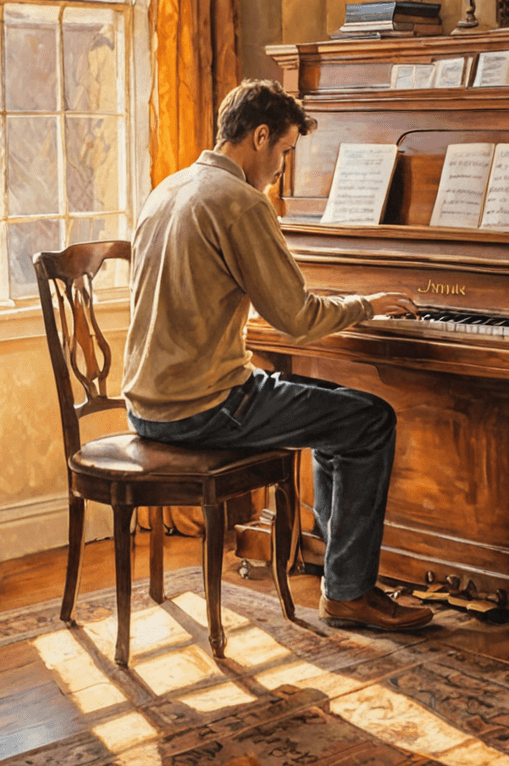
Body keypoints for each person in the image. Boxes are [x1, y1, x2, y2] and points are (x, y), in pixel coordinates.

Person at [122, 79, 433, 632]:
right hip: (203, 407)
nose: (282, 169)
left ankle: (341, 573)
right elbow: (298, 318)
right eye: (285, 152)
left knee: (339, 410)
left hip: (147, 404)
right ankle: (348, 591)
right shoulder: (239, 201)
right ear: (259, 136)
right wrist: (369, 305)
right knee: (371, 421)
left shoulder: (168, 189)